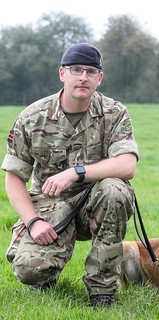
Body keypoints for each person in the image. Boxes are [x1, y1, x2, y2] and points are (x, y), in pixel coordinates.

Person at [1, 43, 139, 308]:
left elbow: (127, 165)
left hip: (95, 203)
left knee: (115, 189)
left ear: (100, 78)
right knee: (29, 270)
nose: (83, 77)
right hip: (49, 208)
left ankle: (102, 291)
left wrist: (76, 173)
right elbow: (14, 177)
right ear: (62, 74)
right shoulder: (32, 117)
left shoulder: (114, 113)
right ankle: (45, 274)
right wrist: (32, 222)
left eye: (90, 71)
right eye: (76, 70)